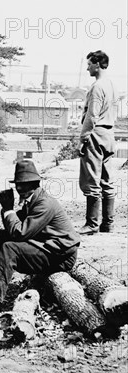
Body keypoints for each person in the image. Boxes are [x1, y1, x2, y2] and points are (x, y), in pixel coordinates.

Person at [0, 160, 80, 319]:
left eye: (24, 185)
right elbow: (11, 228)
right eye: (18, 185)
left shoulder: (44, 204)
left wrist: (8, 209)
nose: (20, 189)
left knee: (10, 248)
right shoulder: (33, 200)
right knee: (2, 236)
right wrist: (8, 210)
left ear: (35, 184)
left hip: (60, 257)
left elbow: (19, 233)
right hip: (48, 248)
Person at [78, 50, 118, 235]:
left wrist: (83, 138)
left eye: (89, 64)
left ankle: (92, 224)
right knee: (107, 181)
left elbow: (91, 115)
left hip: (95, 134)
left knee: (91, 180)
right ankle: (108, 224)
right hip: (109, 134)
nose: (87, 68)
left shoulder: (97, 86)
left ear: (97, 64)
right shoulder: (111, 85)